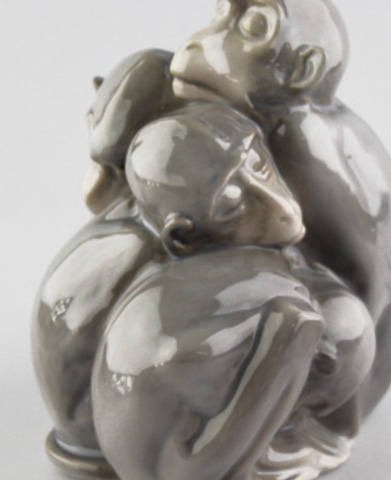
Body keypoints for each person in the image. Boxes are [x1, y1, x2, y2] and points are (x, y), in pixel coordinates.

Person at [91, 103, 375, 480]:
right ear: (184, 236)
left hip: (137, 439)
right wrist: (290, 344)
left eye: (260, 166)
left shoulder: (236, 270)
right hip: (183, 465)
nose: (282, 207)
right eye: (232, 204)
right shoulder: (269, 298)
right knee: (295, 327)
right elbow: (294, 326)